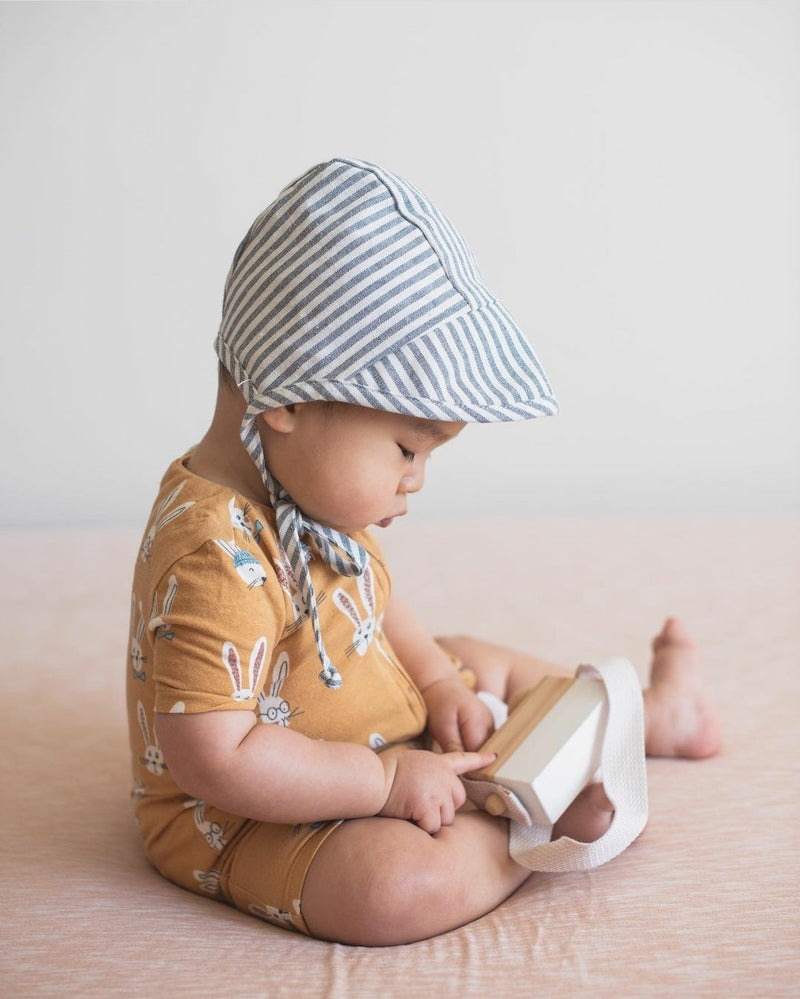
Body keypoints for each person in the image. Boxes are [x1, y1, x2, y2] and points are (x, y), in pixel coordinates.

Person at [126, 158, 721, 947]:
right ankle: (525, 828)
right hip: (247, 811)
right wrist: (384, 780)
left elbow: (370, 599)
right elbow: (217, 759)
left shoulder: (303, 489)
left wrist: (437, 679)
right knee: (391, 887)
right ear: (290, 398)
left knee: (476, 659)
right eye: (408, 447)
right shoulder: (209, 556)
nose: (416, 481)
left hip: (372, 722)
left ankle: (649, 714)